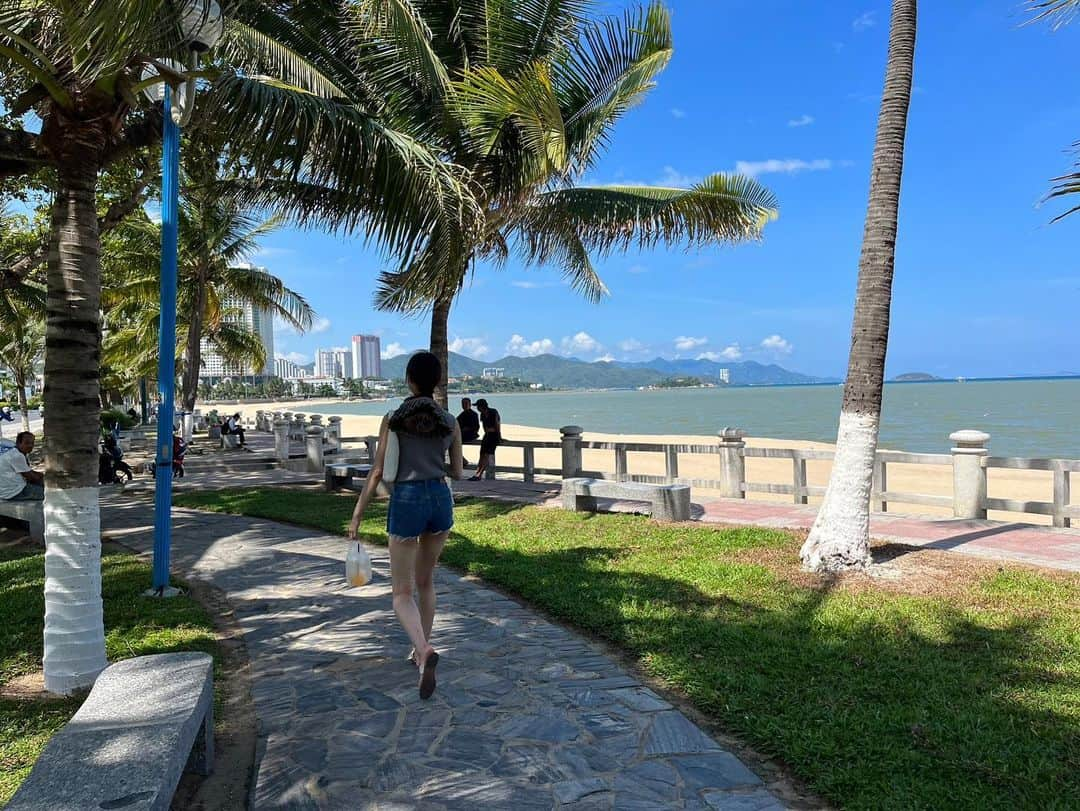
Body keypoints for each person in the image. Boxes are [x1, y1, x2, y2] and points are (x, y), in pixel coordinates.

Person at [348, 351, 464, 700]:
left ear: (409, 381)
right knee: (426, 582)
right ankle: (420, 652)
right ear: (437, 382)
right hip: (440, 499)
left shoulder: (393, 418)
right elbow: (457, 472)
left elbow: (380, 471)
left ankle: (423, 650)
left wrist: (357, 514)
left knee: (401, 593)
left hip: (408, 500)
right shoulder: (450, 421)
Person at [0, 431, 43, 501]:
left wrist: (40, 475)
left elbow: (28, 471)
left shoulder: (13, 451)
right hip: (14, 492)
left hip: (5, 491)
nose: (30, 446)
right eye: (27, 443)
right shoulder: (17, 455)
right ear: (18, 443)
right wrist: (46, 478)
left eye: (32, 443)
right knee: (50, 494)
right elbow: (31, 477)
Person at [470, 399, 501, 481]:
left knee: (487, 455)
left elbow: (497, 424)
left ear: (482, 406)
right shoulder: (482, 415)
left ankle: (479, 474)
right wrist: (486, 433)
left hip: (493, 435)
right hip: (486, 435)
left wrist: (499, 436)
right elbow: (484, 426)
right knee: (482, 454)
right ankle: (477, 473)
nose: (477, 408)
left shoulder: (493, 412)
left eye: (478, 406)